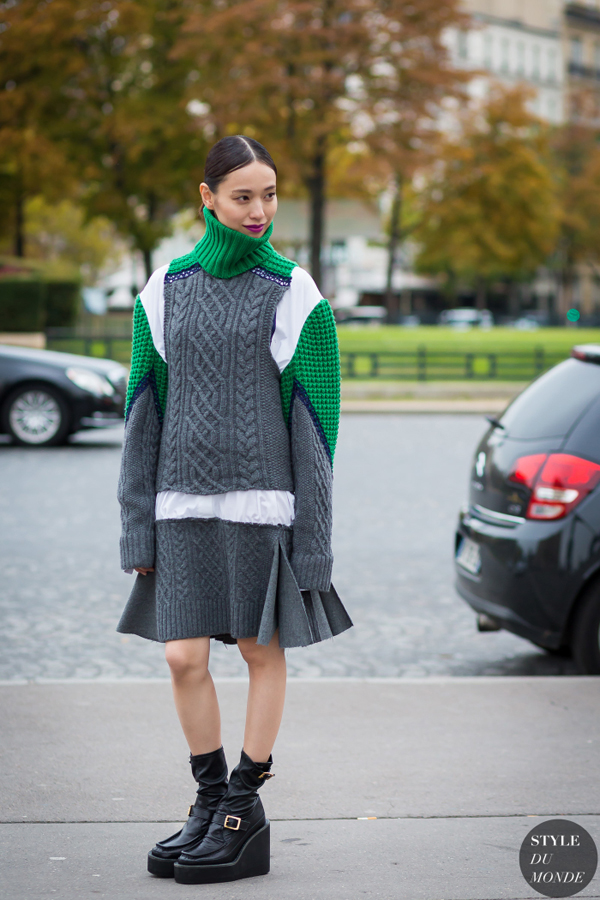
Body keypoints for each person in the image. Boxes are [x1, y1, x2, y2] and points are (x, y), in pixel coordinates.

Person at [116, 134, 353, 885]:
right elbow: (142, 412)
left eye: (269, 195)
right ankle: (210, 797)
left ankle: (243, 806)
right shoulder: (165, 288)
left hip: (263, 505)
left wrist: (314, 539)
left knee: (257, 650)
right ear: (208, 197)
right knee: (182, 656)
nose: (259, 210)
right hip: (179, 503)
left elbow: (316, 426)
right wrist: (135, 524)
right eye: (243, 196)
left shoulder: (295, 291)